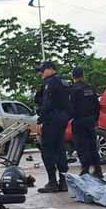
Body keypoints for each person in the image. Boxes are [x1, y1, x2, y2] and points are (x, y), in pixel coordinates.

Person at [36, 61, 71, 193]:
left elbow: (47, 103)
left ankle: (52, 182)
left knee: (47, 150)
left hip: (51, 120)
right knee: (60, 149)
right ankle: (64, 182)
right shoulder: (64, 82)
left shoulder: (50, 82)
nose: (40, 74)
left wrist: (40, 120)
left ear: (50, 69)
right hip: (62, 119)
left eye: (42, 70)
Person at [69, 67, 103, 179]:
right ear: (83, 75)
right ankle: (98, 169)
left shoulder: (73, 90)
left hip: (79, 121)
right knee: (92, 145)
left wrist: (69, 118)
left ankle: (85, 170)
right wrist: (95, 119)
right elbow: (97, 106)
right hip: (90, 120)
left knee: (81, 146)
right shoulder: (91, 89)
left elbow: (70, 107)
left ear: (73, 76)